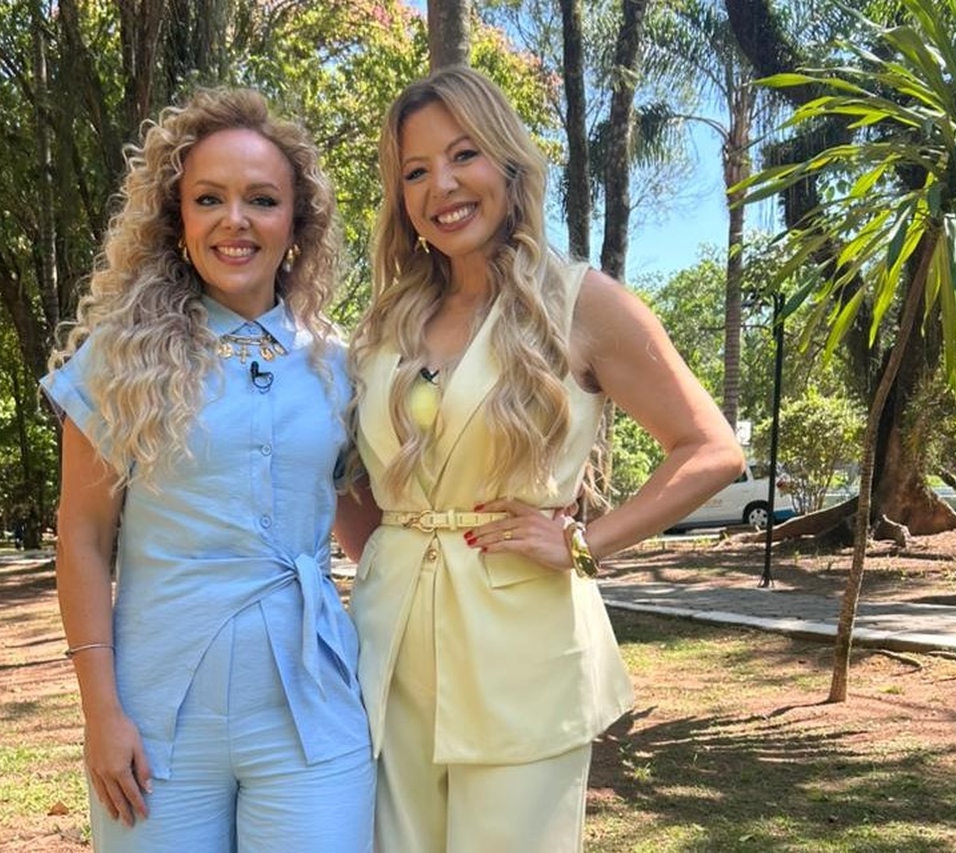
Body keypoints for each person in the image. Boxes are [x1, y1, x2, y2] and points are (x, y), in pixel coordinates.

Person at [340, 66, 744, 852]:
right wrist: (390, 556)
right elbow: (355, 481)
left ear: (507, 162)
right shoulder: (389, 321)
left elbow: (712, 448)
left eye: (463, 154)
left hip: (522, 653)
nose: (442, 185)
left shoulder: (579, 301)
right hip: (386, 652)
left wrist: (582, 545)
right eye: (416, 171)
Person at [42, 87, 374, 852]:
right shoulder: (118, 361)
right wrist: (101, 712)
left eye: (262, 199)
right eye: (209, 198)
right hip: (155, 721)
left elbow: (371, 530)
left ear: (296, 220)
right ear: (177, 218)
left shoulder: (340, 368)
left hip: (313, 713)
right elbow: (83, 536)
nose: (235, 219)